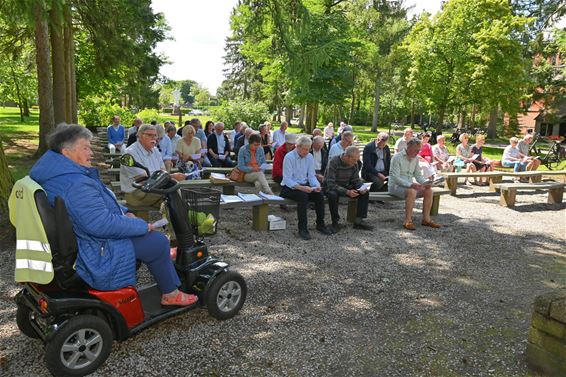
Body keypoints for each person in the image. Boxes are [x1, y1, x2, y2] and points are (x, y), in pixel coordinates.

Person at [30, 124, 197, 306]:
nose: (91, 153)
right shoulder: (75, 183)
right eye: (85, 148)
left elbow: (99, 203)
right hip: (94, 247)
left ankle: (163, 260)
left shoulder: (60, 173)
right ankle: (170, 294)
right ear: (66, 152)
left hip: (83, 237)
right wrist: (142, 226)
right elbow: (99, 224)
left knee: (151, 238)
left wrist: (125, 212)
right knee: (158, 242)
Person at [121, 124, 187, 208]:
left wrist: (168, 177)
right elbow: (143, 179)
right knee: (173, 196)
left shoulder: (155, 150)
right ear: (140, 136)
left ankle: (178, 217)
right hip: (135, 194)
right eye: (149, 135)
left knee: (175, 200)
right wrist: (172, 176)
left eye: (155, 135)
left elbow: (163, 172)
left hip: (154, 190)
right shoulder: (130, 152)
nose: (154, 138)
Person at [280, 136, 333, 240]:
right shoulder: (289, 157)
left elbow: (311, 176)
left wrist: (316, 186)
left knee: (319, 195)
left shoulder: (309, 157)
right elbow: (287, 179)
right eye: (305, 149)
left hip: (304, 186)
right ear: (297, 147)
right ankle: (302, 228)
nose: (307, 151)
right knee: (303, 196)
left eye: (308, 149)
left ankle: (320, 224)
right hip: (289, 187)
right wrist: (302, 188)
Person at [389, 137, 442, 230]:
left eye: (419, 150)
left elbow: (418, 175)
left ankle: (426, 219)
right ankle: (408, 220)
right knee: (412, 191)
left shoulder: (416, 158)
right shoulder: (397, 157)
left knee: (429, 191)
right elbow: (395, 178)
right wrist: (411, 185)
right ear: (408, 147)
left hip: (409, 186)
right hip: (395, 187)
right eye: (416, 150)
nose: (418, 152)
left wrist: (426, 183)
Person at [324, 146, 373, 232]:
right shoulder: (333, 162)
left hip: (346, 186)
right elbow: (330, 183)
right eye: (354, 160)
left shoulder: (354, 163)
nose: (355, 163)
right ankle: (335, 222)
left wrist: (361, 187)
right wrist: (347, 192)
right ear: (346, 157)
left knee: (364, 193)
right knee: (332, 195)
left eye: (356, 160)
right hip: (332, 187)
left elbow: (356, 180)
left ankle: (358, 221)